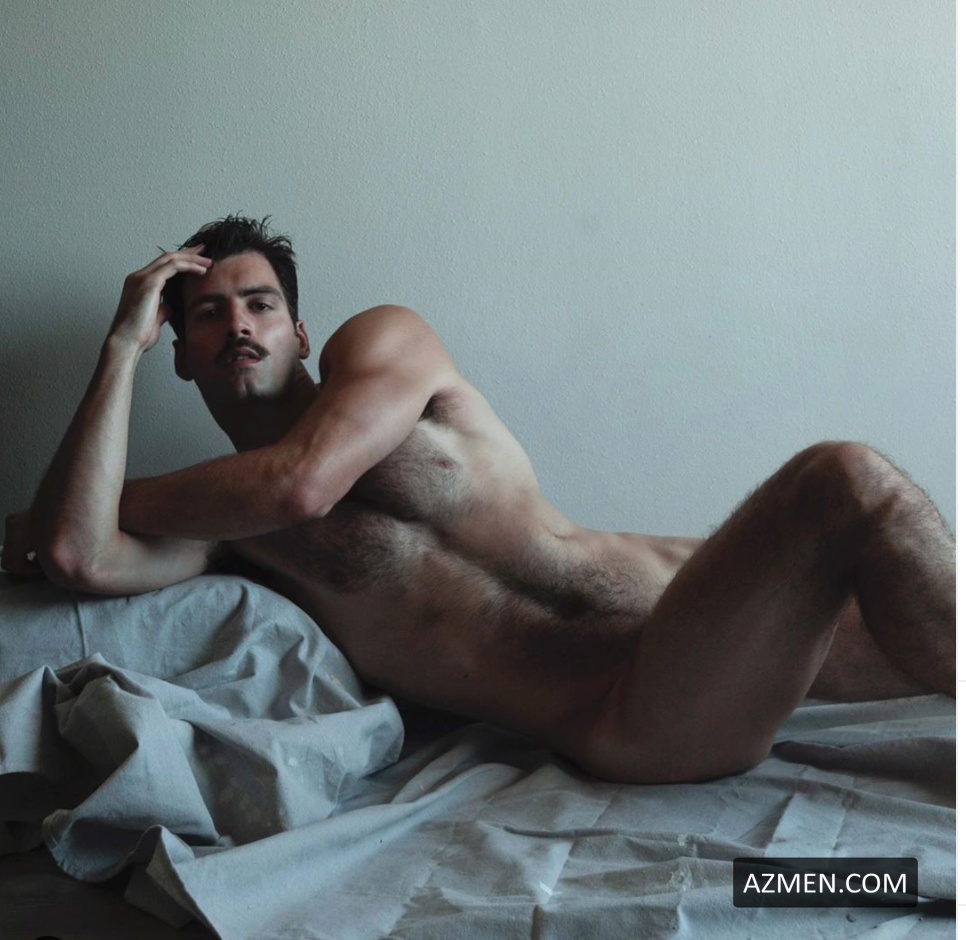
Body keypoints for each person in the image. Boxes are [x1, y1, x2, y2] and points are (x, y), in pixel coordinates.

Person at [2, 216, 955, 785]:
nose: (237, 324)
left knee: (893, 574)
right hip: (633, 713)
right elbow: (77, 551)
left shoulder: (382, 344)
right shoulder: (231, 542)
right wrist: (119, 347)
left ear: (301, 333)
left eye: (260, 304)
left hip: (717, 619)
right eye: (206, 313)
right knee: (846, 481)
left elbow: (301, 481)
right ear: (178, 355)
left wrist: (121, 498)